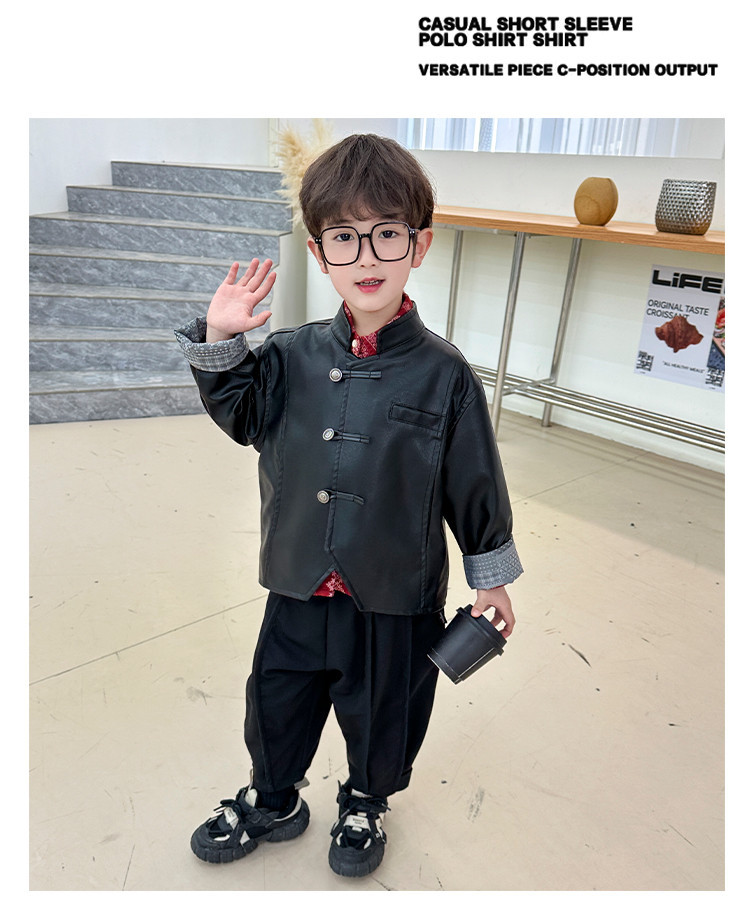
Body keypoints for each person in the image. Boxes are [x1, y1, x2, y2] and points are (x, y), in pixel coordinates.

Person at [174, 133, 523, 878]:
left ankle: (367, 797)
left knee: (387, 711)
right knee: (276, 698)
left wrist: (490, 577)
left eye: (387, 233)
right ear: (318, 251)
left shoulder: (446, 374)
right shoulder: (289, 356)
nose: (367, 256)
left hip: (395, 593)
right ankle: (273, 797)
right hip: (299, 580)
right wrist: (221, 337)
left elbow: (475, 482)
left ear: (419, 244)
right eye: (344, 237)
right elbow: (240, 414)